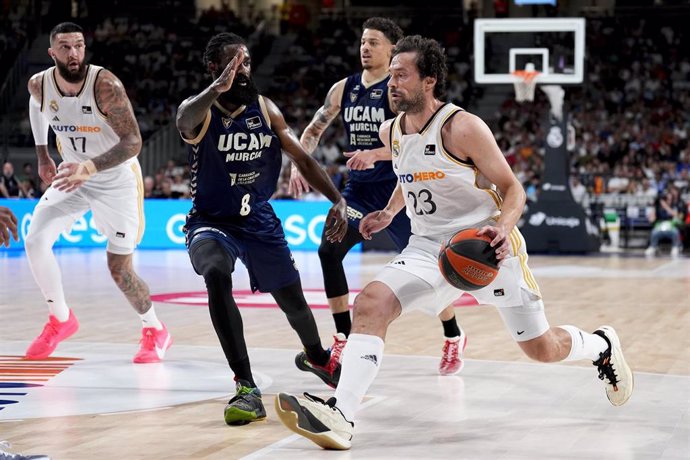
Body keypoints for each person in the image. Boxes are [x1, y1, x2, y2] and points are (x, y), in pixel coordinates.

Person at [274, 35, 634, 450]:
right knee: (371, 302)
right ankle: (341, 414)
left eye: (401, 75)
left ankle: (601, 346)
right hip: (428, 248)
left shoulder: (462, 127)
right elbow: (409, 170)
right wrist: (391, 212)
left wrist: (503, 226)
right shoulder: (390, 128)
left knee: (542, 348)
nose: (391, 83)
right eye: (390, 75)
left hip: (484, 247)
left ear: (428, 81)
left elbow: (512, 188)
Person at [175, 32, 348, 426]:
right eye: (233, 63)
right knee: (217, 274)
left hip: (259, 220)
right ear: (214, 68)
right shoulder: (199, 111)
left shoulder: (265, 109)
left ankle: (317, 357)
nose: (243, 70)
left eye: (247, 62)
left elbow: (302, 158)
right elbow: (184, 119)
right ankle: (246, 386)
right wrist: (215, 88)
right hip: (212, 222)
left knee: (295, 304)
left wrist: (336, 199)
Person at [289, 17, 466, 376]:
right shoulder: (344, 88)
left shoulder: (401, 89)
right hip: (357, 193)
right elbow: (315, 127)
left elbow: (418, 141)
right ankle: (342, 338)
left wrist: (376, 154)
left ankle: (453, 334)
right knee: (328, 250)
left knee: (430, 272)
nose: (365, 48)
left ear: (392, 50)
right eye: (362, 42)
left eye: (373, 42)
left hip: (401, 191)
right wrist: (299, 163)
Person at [24, 22, 172, 364]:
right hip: (72, 174)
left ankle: (155, 329)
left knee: (119, 268)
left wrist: (87, 169)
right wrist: (42, 154)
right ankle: (60, 320)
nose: (73, 53)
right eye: (65, 47)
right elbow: (37, 105)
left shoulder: (105, 86)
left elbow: (134, 143)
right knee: (35, 240)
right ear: (52, 52)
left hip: (115, 181)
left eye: (78, 46)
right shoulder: (39, 84)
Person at [645, 185, 685, 258]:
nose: (668, 200)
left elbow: (677, 216)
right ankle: (653, 247)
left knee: (675, 232)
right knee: (654, 232)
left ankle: (675, 247)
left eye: (670, 199)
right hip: (661, 225)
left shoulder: (675, 205)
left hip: (671, 226)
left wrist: (666, 207)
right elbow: (652, 219)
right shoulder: (659, 207)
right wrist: (652, 213)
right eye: (666, 199)